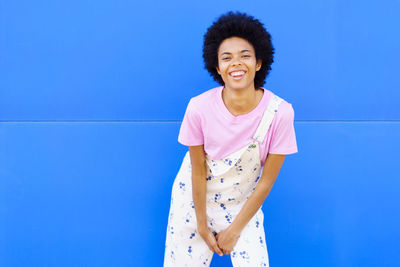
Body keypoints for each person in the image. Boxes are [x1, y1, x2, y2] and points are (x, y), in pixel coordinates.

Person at [163, 11, 298, 267]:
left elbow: (266, 182)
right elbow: (197, 169)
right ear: (218, 68)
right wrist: (202, 225)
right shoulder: (198, 108)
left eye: (245, 56)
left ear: (259, 63)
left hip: (243, 208)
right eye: (227, 58)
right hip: (193, 203)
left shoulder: (280, 113)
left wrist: (235, 229)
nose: (236, 63)